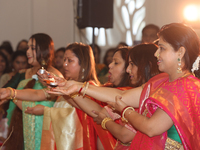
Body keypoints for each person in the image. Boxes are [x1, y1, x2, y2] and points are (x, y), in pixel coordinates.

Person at [47, 23, 200, 149]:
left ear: (180, 52)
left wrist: (125, 111)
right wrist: (78, 86)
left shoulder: (187, 87)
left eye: (162, 48)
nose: (156, 54)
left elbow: (151, 128)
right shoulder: (160, 81)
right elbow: (122, 97)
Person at [48, 43, 160, 149]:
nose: (127, 70)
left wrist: (106, 121)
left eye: (116, 63)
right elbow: (98, 111)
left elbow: (125, 134)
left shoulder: (154, 89)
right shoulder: (120, 90)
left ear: (147, 65)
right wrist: (71, 90)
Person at [2, 33, 63, 150]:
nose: (28, 52)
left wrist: (13, 96)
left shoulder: (53, 76)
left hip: (43, 134)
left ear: (44, 50)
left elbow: (45, 105)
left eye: (33, 48)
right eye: (28, 48)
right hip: (20, 131)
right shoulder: (22, 74)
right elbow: (6, 90)